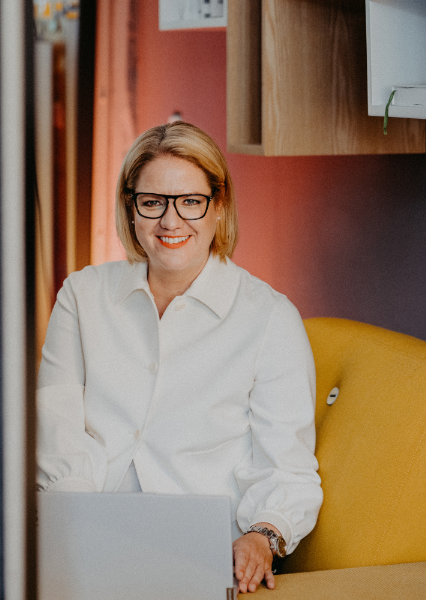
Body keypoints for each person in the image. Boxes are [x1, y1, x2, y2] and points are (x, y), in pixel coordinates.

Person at [36, 122, 323, 594]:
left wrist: (262, 536)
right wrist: (80, 540)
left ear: (220, 205)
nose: (171, 222)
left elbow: (287, 470)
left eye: (191, 201)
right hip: (85, 533)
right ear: (130, 209)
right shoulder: (81, 295)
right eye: (152, 202)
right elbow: (57, 430)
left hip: (203, 555)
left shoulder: (270, 318)